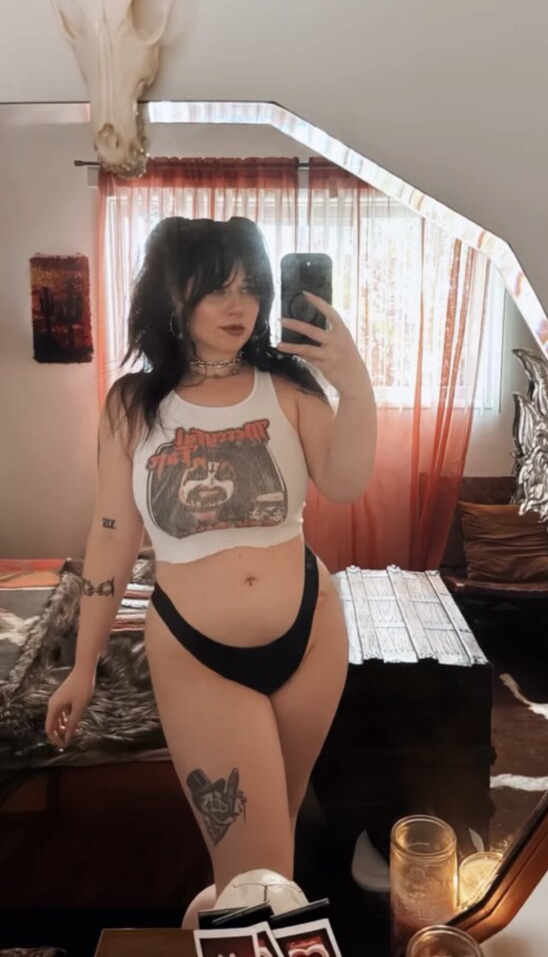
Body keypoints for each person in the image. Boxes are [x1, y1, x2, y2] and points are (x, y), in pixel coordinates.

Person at [44, 216, 377, 926]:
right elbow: (111, 537)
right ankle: (220, 922)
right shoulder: (132, 405)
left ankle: (210, 923)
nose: (239, 306)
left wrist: (354, 384)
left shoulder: (289, 386)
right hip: (198, 656)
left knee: (269, 852)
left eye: (250, 288)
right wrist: (84, 665)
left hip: (311, 636)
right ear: (175, 296)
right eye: (217, 289)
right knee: (259, 877)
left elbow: (346, 483)